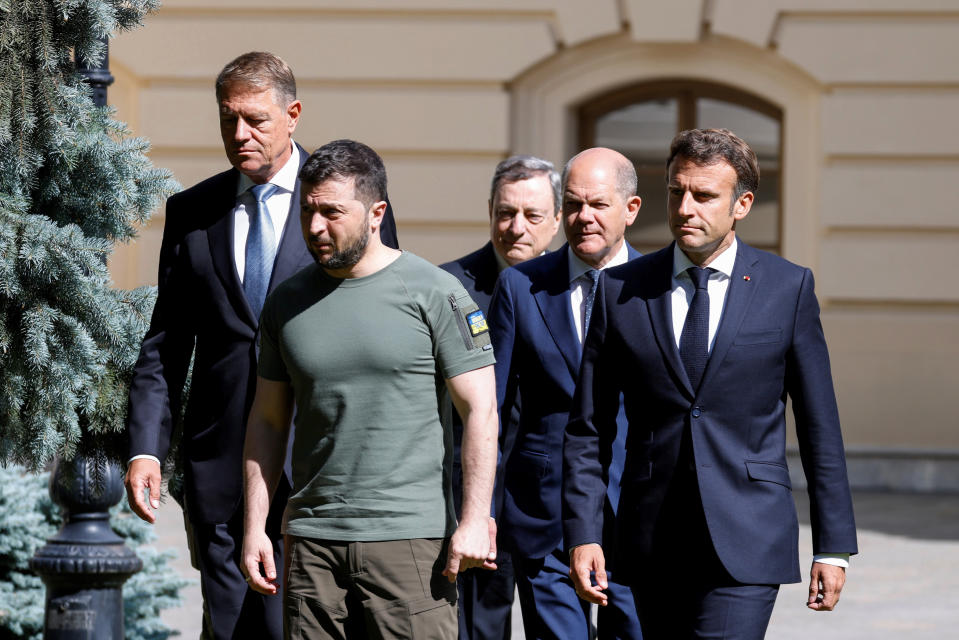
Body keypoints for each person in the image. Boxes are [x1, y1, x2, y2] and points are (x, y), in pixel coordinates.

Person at [123, 52, 399, 640]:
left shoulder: (345, 206)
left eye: (255, 120)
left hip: (321, 467)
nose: (239, 135)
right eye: (228, 120)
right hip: (219, 466)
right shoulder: (194, 213)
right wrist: (146, 449)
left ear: (293, 114)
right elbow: (164, 347)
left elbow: (382, 334)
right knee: (228, 630)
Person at [564, 128, 858, 639]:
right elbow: (588, 430)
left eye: (704, 196)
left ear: (742, 203)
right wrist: (585, 533)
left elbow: (820, 429)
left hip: (748, 539)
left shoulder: (787, 289)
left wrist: (833, 547)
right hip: (651, 540)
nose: (684, 209)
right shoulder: (620, 291)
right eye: (677, 192)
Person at [241, 139, 499, 639]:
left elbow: (481, 411)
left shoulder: (435, 293)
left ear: (377, 212)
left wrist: (473, 519)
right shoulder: (285, 304)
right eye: (308, 211)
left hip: (409, 543)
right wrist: (257, 528)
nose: (315, 227)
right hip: (312, 543)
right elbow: (267, 421)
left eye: (332, 212)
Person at [488, 148, 644, 639]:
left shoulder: (658, 289)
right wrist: (482, 512)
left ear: (631, 209)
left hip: (632, 513)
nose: (584, 218)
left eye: (598, 204)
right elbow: (488, 412)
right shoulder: (520, 287)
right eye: (574, 205)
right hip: (542, 512)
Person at [440, 154, 562, 640]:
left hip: (548, 503)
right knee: (475, 629)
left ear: (557, 220)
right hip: (468, 496)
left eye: (532, 215)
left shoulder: (581, 288)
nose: (516, 227)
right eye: (505, 213)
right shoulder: (448, 288)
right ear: (490, 210)